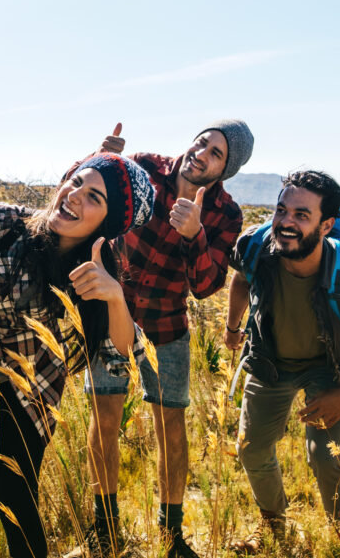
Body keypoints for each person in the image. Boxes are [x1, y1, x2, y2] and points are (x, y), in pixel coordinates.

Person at [0, 152, 155, 558]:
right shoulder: (5, 224)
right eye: (76, 183)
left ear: (107, 225)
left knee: (18, 501)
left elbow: (124, 350)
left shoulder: (94, 269)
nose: (75, 196)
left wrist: (113, 296)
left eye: (94, 196)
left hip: (33, 384)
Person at [80, 121, 254, 558]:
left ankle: (171, 534)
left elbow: (207, 285)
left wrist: (195, 234)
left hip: (167, 326)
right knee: (104, 420)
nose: (202, 154)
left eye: (216, 153)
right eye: (203, 142)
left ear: (225, 169)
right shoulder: (140, 168)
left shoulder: (225, 215)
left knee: (170, 427)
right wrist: (96, 161)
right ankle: (105, 529)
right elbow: (81, 206)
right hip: (110, 313)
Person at [223, 170, 340, 554]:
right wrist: (231, 326)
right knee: (252, 448)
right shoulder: (257, 247)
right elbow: (242, 279)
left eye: (301, 215)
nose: (286, 222)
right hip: (269, 357)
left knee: (326, 458)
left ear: (326, 225)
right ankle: (273, 523)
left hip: (332, 367)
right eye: (282, 210)